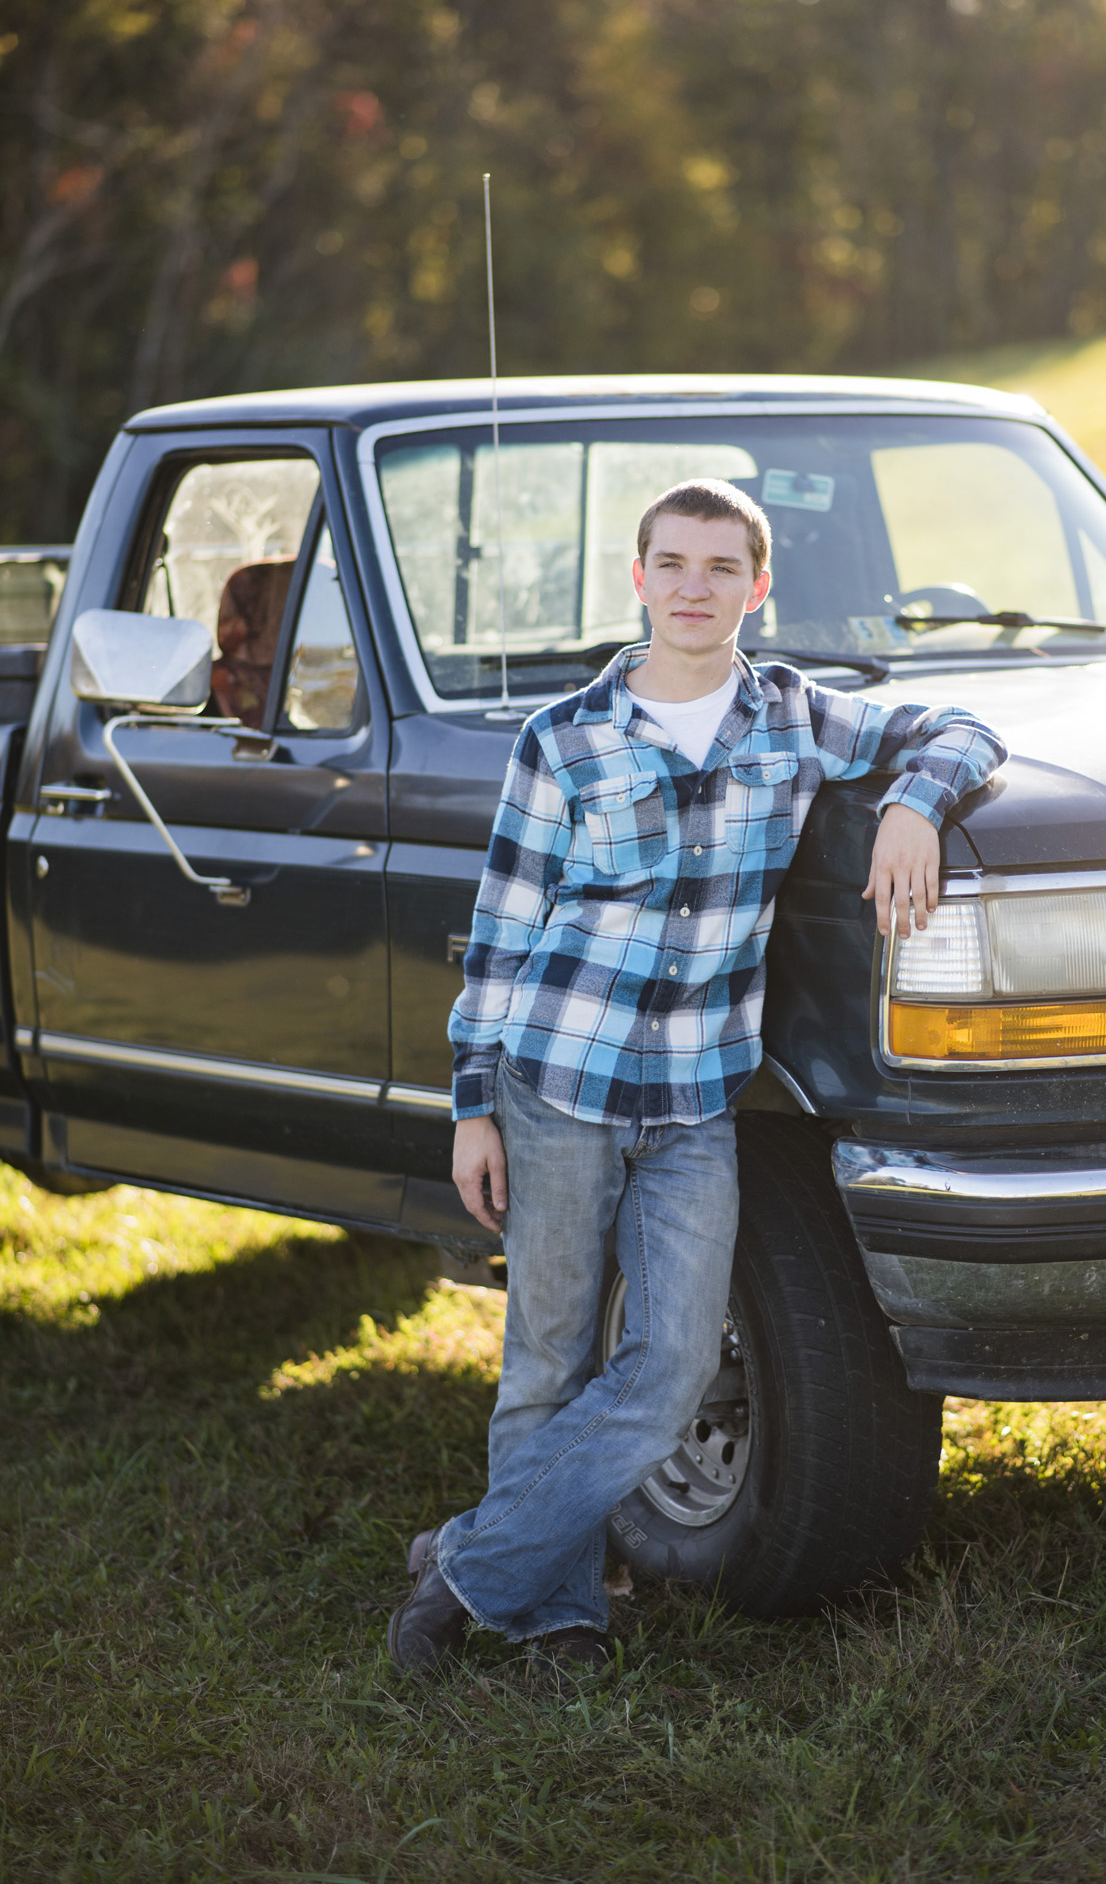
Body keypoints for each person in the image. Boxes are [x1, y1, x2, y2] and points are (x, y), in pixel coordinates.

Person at [387, 477, 1006, 1687]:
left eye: (721, 567)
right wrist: (471, 1103)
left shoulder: (792, 719)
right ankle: (554, 1610)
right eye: (671, 562)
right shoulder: (561, 737)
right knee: (548, 1359)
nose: (692, 586)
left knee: (669, 1362)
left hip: (694, 1106)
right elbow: (502, 931)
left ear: (756, 587)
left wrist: (913, 810)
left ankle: (464, 1564)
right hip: (555, 1085)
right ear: (638, 577)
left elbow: (961, 729)